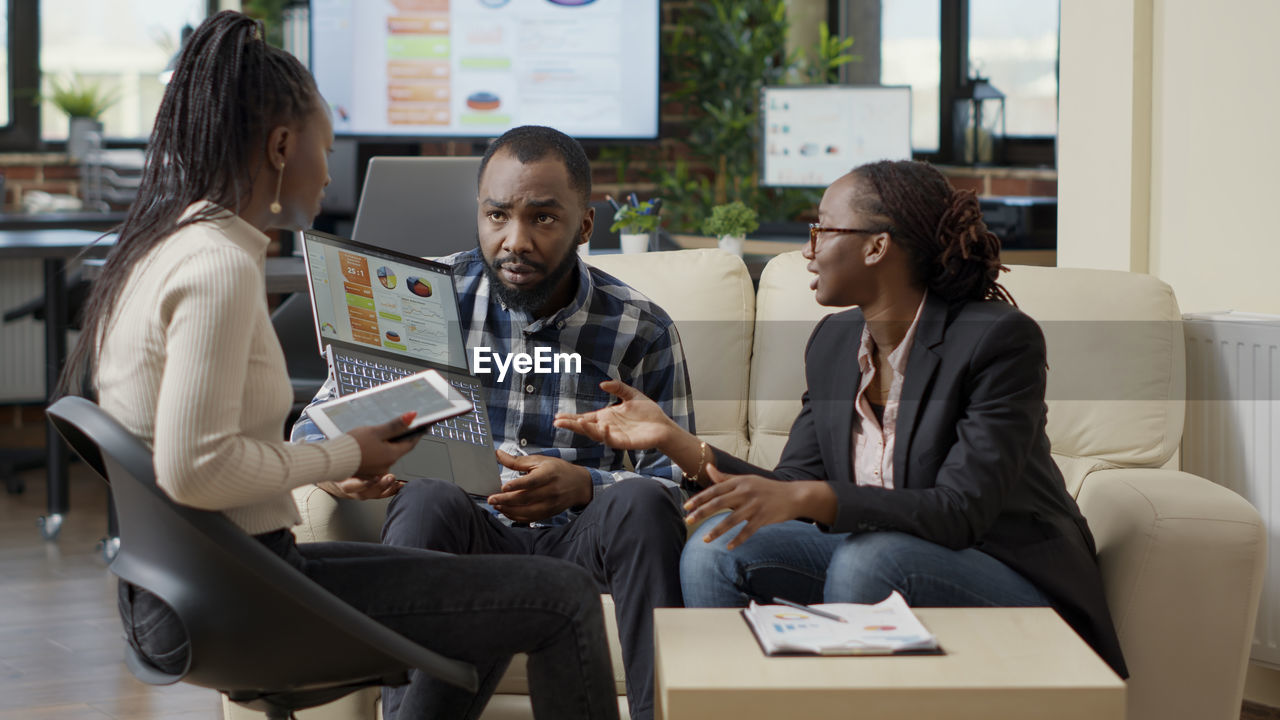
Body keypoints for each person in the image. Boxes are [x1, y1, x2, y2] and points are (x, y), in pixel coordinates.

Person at [58, 12, 619, 720]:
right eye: (326, 147)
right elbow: (193, 468)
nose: (328, 173)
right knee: (561, 598)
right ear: (283, 145)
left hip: (201, 584)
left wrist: (339, 457)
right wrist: (342, 452)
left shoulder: (166, 243)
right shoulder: (217, 264)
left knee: (485, 590)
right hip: (232, 597)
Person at [554, 159, 1128, 677]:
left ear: (877, 247)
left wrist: (815, 500)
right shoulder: (833, 344)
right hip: (876, 556)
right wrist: (677, 442)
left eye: (822, 229)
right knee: (715, 546)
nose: (809, 249)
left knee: (869, 557)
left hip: (1006, 573)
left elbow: (962, 512)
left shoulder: (996, 340)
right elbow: (787, 487)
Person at [292, 126, 694, 720]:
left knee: (639, 504)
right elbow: (316, 424)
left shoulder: (643, 328)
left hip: (585, 541)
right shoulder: (423, 299)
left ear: (585, 226)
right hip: (470, 532)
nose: (516, 241)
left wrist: (586, 487)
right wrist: (339, 469)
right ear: (478, 215)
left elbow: (681, 483)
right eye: (497, 215)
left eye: (543, 219)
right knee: (428, 498)